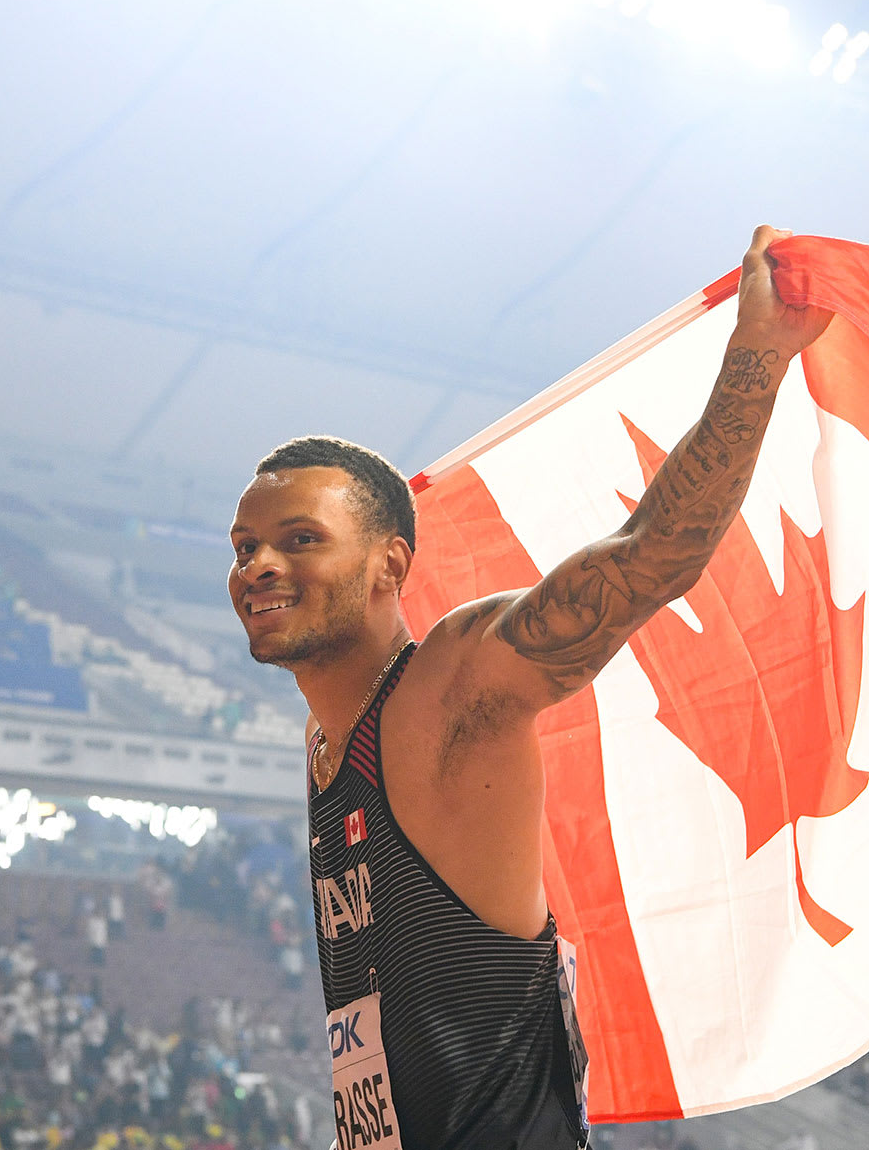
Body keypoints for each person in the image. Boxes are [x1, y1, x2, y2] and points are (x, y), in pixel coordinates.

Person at [226, 227, 826, 1149]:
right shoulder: (323, 743)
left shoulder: (449, 688)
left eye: (300, 539)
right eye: (245, 547)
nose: (260, 564)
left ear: (391, 566)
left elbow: (650, 558)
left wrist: (757, 356)